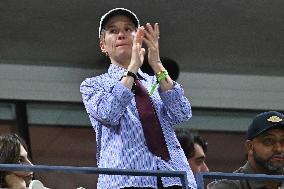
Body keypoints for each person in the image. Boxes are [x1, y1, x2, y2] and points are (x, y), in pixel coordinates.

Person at [80, 8, 196, 189]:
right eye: (113, 30)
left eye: (128, 29)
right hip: (125, 181)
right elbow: (109, 114)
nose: (121, 34)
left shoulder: (155, 80)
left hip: (172, 177)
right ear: (103, 45)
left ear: (138, 38)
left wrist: (157, 64)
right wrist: (132, 68)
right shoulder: (93, 85)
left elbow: (182, 113)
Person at [207, 111, 284, 189]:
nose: (278, 149)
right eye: (269, 141)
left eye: (283, 141)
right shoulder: (228, 187)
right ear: (250, 147)